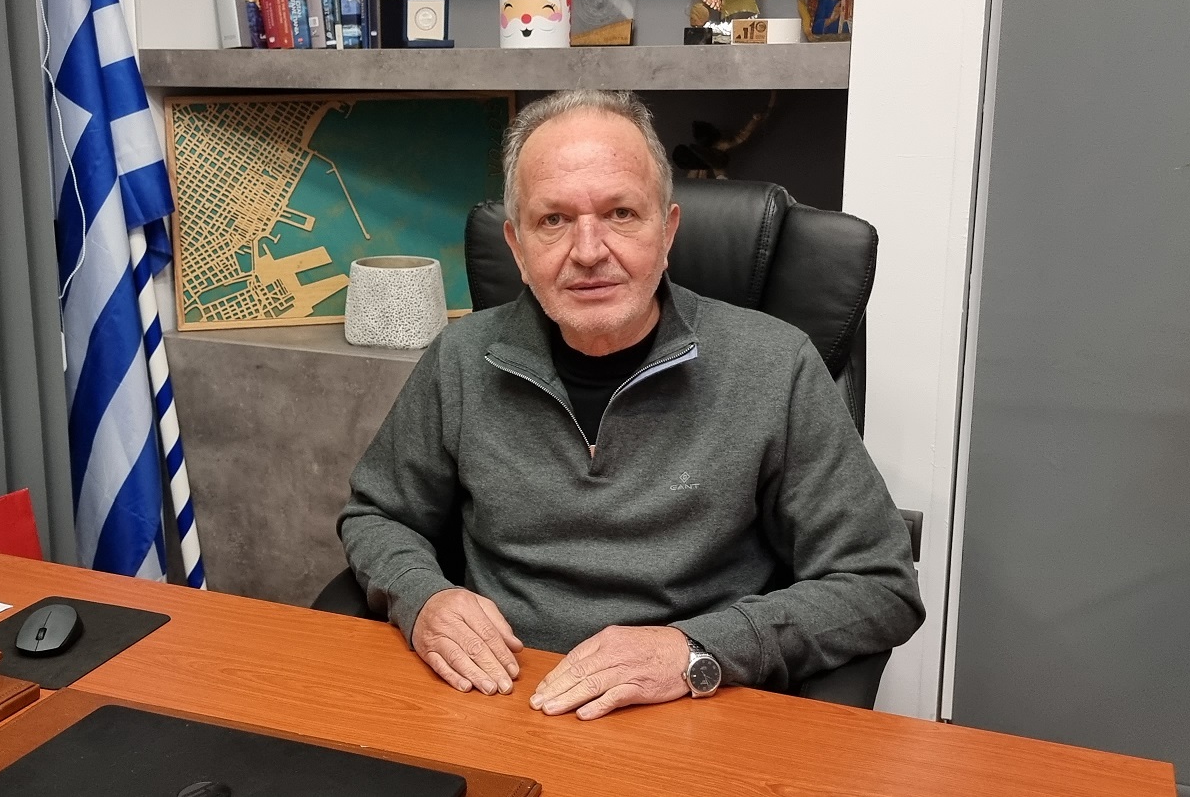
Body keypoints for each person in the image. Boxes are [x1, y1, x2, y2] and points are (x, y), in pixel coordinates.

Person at [338, 89, 922, 720]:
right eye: (553, 220)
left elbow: (879, 586)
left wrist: (698, 651)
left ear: (666, 231)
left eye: (621, 213)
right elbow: (378, 515)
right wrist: (423, 597)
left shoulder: (776, 367)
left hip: (690, 709)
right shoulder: (460, 359)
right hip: (498, 699)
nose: (589, 251)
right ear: (517, 247)